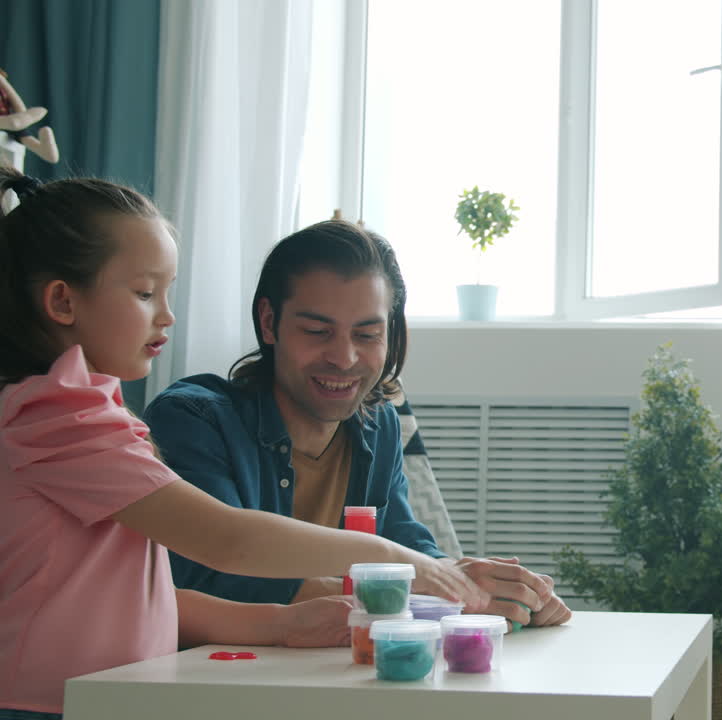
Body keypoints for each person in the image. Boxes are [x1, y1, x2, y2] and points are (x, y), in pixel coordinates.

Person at [0, 169, 488, 719]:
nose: (167, 314)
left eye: (167, 292)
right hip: (41, 704)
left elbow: (146, 596)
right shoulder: (56, 415)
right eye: (144, 293)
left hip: (107, 695)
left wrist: (282, 623)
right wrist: (383, 556)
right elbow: (224, 540)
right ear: (63, 302)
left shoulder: (91, 408)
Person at [143, 220, 571, 629]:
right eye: (316, 331)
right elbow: (203, 579)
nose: (344, 359)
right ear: (269, 322)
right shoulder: (193, 420)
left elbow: (407, 544)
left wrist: (480, 584)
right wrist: (412, 587)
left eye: (367, 335)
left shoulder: (377, 422)